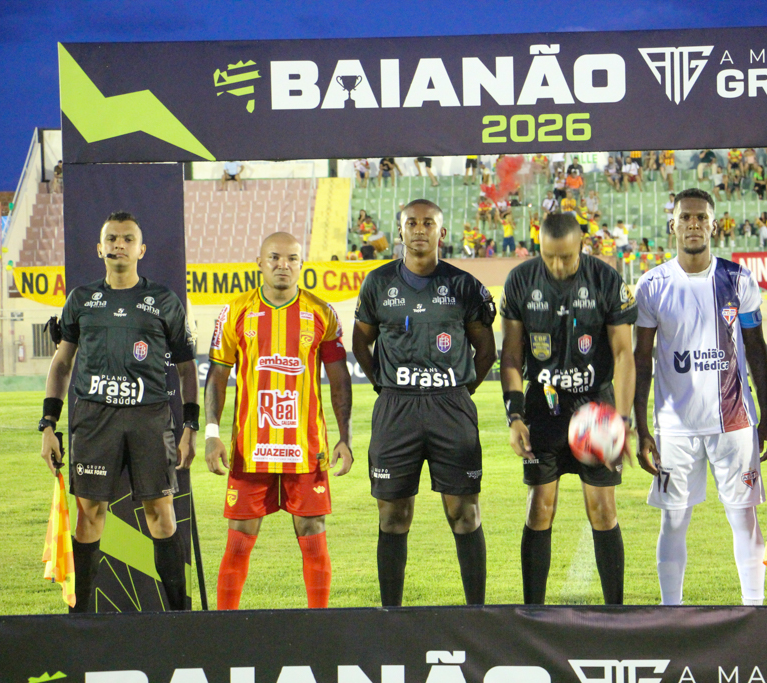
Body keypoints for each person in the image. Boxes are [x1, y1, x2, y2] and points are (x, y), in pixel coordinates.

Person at [39, 211, 197, 612]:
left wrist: (191, 426)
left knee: (161, 515)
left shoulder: (164, 301)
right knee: (89, 515)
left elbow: (186, 368)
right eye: (111, 238)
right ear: (99, 248)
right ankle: (80, 618)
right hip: (95, 420)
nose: (119, 245)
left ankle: (180, 616)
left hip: (149, 418)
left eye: (127, 239)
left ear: (141, 249)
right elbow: (62, 363)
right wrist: (48, 424)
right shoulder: (81, 299)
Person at [352, 199, 497, 607]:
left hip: (450, 408)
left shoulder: (464, 285)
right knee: (393, 516)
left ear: (441, 232)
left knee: (464, 513)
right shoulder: (378, 283)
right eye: (411, 223)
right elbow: (361, 341)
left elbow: (486, 351)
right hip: (396, 408)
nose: (419, 229)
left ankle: (476, 613)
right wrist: (384, 384)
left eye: (428, 223)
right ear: (400, 231)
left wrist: (459, 391)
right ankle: (390, 615)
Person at [633, 188, 767, 606]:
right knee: (673, 522)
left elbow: (757, 350)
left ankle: (754, 610)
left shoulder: (739, 279)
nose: (693, 224)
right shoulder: (652, 285)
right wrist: (641, 428)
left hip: (734, 423)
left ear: (714, 225)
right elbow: (641, 360)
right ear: (672, 225)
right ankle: (669, 613)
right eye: (686, 217)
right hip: (674, 428)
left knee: (744, 518)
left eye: (701, 217)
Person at [205, 232, 353, 609]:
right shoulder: (235, 311)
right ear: (259, 262)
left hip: (306, 449)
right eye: (274, 257)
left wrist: (345, 437)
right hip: (250, 449)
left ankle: (318, 626)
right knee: (238, 540)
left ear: (301, 265)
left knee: (313, 533)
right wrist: (211, 433)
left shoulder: (322, 313)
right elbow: (218, 375)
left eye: (291, 259)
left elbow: (339, 379)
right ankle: (224, 628)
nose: (282, 265)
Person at [500, 212, 638, 605]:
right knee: (539, 509)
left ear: (582, 245)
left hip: (595, 407)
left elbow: (623, 354)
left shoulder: (606, 280)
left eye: (566, 257)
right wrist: (514, 416)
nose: (558, 265)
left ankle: (615, 612)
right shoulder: (520, 281)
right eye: (549, 257)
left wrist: (621, 420)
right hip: (542, 409)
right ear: (539, 248)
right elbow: (511, 356)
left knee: (603, 510)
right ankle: (533, 612)